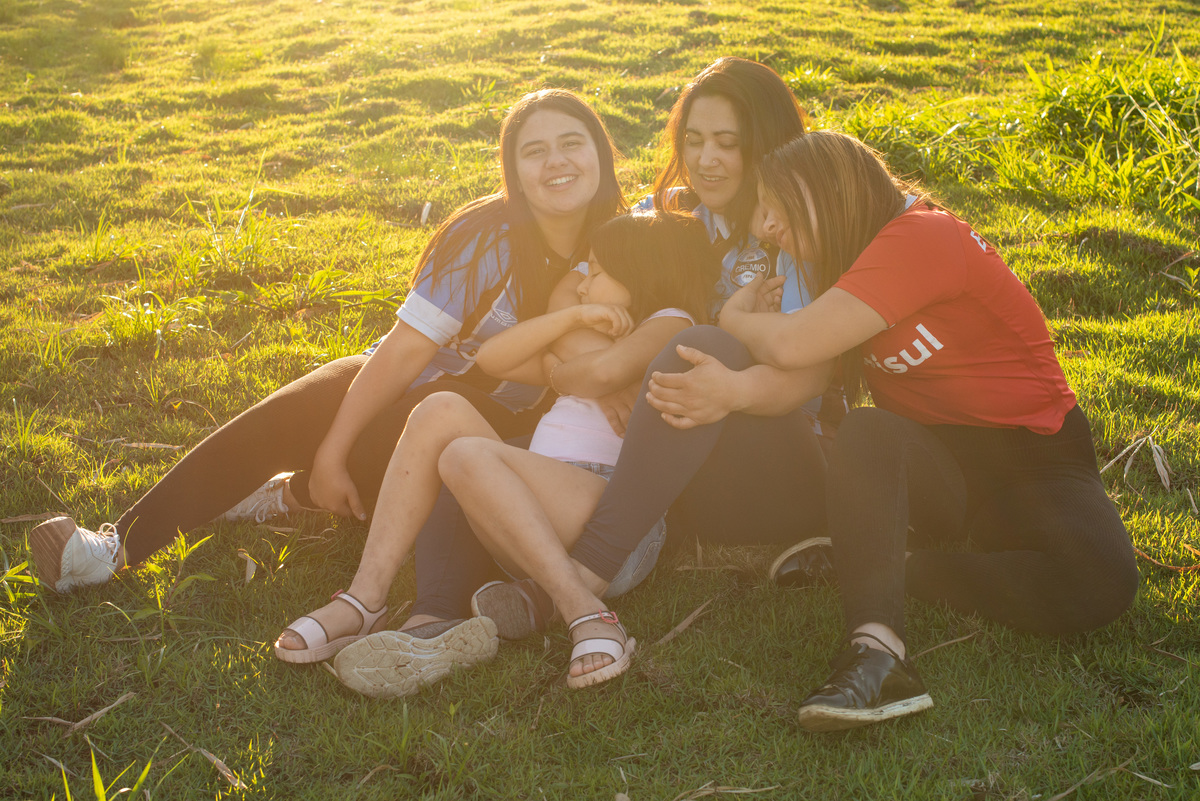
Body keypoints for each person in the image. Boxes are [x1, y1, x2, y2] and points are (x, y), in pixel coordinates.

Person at [29, 89, 627, 605]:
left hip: (508, 424)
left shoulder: (628, 240)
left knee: (390, 442)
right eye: (535, 150)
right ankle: (110, 549)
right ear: (513, 169)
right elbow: (402, 354)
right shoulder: (485, 236)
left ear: (601, 152)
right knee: (312, 405)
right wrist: (334, 450)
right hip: (420, 375)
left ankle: (287, 494)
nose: (556, 163)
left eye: (572, 143)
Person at [718, 130, 1138, 731]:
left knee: (1103, 581)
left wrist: (733, 317)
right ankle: (876, 652)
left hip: (1034, 455)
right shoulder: (845, 262)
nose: (765, 227)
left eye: (774, 205)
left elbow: (791, 343)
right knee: (868, 431)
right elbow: (801, 371)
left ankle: (890, 562)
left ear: (823, 194)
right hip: (938, 468)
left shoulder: (923, 237)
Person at [272, 211, 719, 696]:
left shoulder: (670, 321)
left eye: (595, 271)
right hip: (531, 523)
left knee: (466, 455)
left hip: (614, 523)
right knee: (438, 409)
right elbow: (494, 358)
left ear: (640, 273)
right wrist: (569, 320)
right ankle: (365, 600)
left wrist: (561, 366)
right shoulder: (587, 324)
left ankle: (587, 615)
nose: (582, 286)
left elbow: (606, 374)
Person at [471, 56, 832, 643]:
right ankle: (465, 598)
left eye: (727, 143)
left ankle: (585, 570)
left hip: (761, 451)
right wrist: (611, 374)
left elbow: (814, 375)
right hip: (661, 458)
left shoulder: (800, 233)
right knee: (470, 440)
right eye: (693, 140)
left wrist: (731, 388)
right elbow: (572, 299)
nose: (705, 159)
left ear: (767, 144)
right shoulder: (662, 218)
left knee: (702, 344)